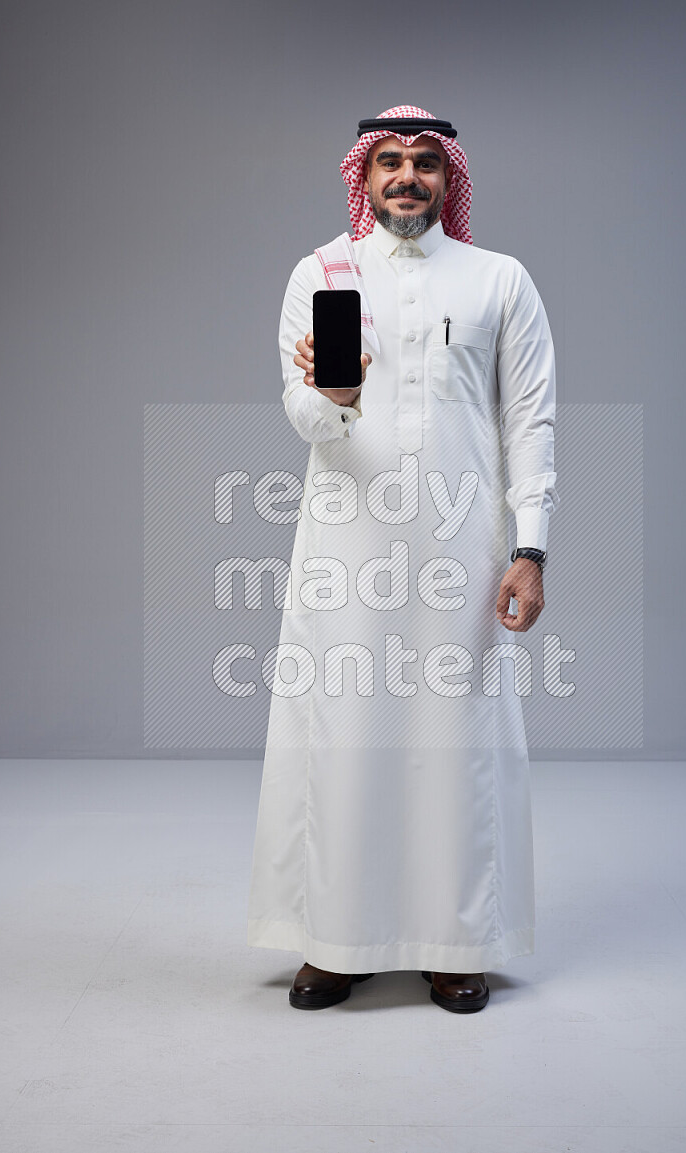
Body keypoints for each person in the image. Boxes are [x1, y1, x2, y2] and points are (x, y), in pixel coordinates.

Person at [247, 105, 559, 1014]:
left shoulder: (500, 280)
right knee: (345, 735)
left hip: (464, 550)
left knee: (452, 741)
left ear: (448, 176)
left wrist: (530, 547)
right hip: (348, 544)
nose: (406, 178)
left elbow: (529, 419)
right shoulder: (323, 274)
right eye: (389, 162)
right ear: (364, 174)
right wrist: (335, 395)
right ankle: (336, 942)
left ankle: (455, 942)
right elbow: (304, 415)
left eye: (424, 162)